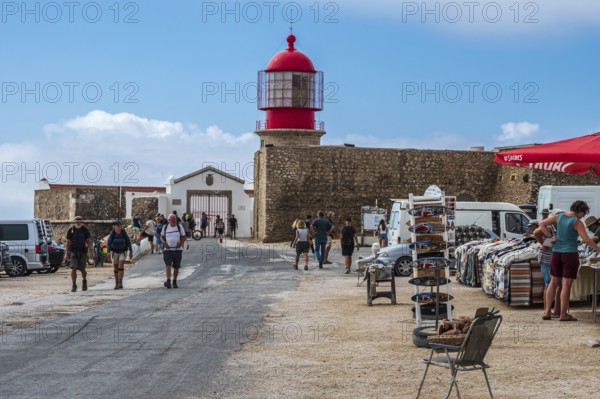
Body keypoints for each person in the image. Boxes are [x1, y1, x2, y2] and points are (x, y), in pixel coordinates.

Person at [539, 201, 600, 322]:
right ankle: (563, 314)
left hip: (556, 253)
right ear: (581, 211)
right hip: (570, 254)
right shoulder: (577, 222)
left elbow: (541, 224)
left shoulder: (559, 216)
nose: (583, 216)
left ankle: (547, 312)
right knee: (566, 284)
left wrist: (550, 236)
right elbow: (587, 240)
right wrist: (597, 248)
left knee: (553, 282)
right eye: (584, 213)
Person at [533, 209, 561, 318]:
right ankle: (547, 311)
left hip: (556, 258)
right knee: (549, 283)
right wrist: (546, 242)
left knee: (558, 284)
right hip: (546, 258)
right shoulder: (550, 228)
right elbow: (536, 233)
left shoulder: (562, 229)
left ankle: (556, 310)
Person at [64, 216, 92, 292]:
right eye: (77, 221)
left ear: (81, 222)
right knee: (73, 268)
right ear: (74, 222)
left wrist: (90, 251)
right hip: (73, 251)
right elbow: (68, 242)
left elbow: (88, 240)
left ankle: (84, 280)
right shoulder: (71, 230)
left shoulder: (85, 230)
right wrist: (66, 253)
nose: (78, 223)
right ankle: (74, 284)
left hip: (82, 252)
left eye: (80, 221)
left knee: (83, 269)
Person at [160, 214, 187, 289]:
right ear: (169, 221)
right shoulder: (165, 227)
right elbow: (161, 236)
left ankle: (174, 281)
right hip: (167, 250)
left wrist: (181, 243)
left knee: (176, 266)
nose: (174, 223)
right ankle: (168, 281)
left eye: (175, 221)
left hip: (177, 250)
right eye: (172, 221)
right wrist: (164, 243)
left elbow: (184, 237)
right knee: (168, 265)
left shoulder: (179, 227)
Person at [107, 220, 133, 289]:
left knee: (120, 265)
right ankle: (116, 283)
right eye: (118, 226)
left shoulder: (123, 232)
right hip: (115, 252)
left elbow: (128, 241)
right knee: (115, 268)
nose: (119, 227)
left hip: (123, 251)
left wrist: (130, 250)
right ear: (114, 226)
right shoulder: (112, 233)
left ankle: (120, 282)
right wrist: (108, 251)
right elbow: (109, 242)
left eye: (120, 226)